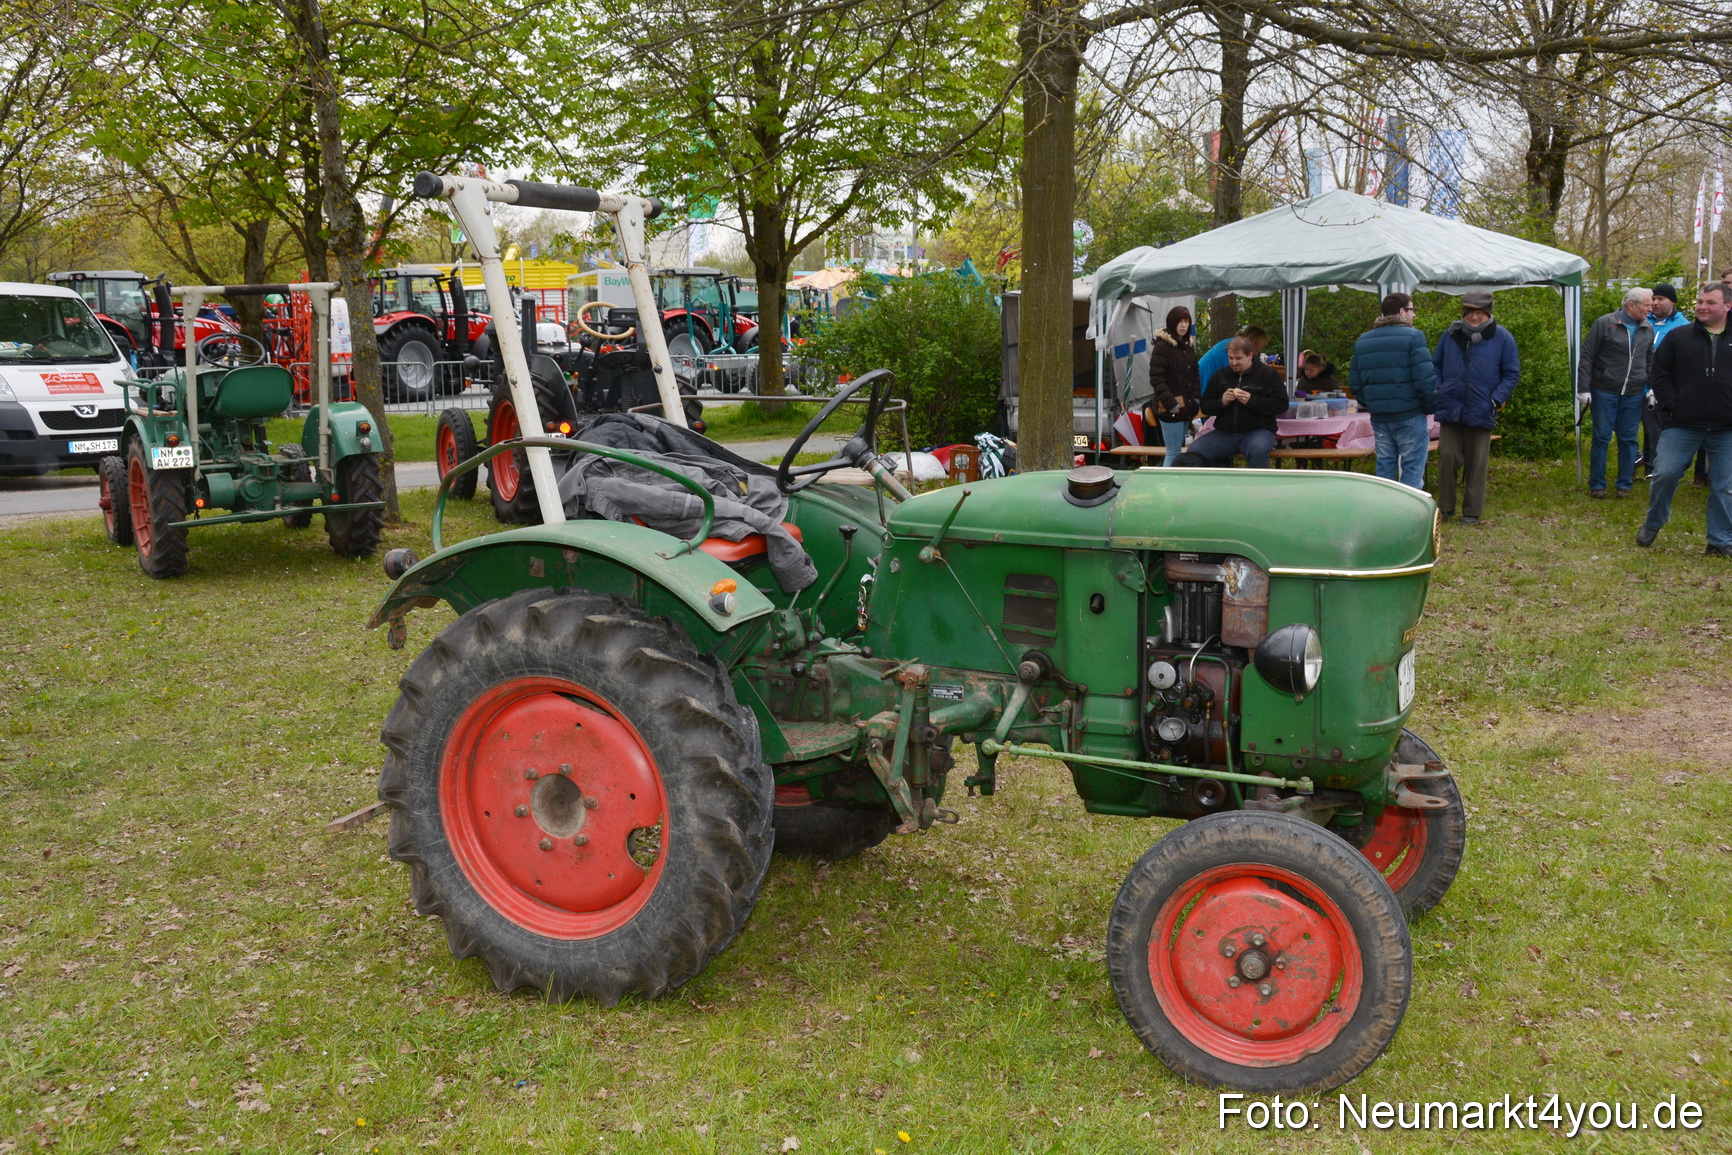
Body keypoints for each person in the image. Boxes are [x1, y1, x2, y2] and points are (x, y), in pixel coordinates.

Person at [1636, 281, 1732, 557]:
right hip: (1683, 423)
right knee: (1665, 474)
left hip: (1726, 427)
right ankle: (1653, 522)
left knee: (1725, 486)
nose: (1702, 307)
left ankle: (1720, 540)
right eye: (1700, 302)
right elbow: (1659, 373)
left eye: (1710, 302)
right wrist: (1672, 404)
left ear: (1727, 305)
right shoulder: (1679, 337)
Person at [1432, 289, 1521, 525]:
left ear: (1488, 313)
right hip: (1451, 406)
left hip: (1481, 407)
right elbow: (1435, 365)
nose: (1473, 317)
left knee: (1477, 463)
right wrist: (1441, 388)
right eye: (1469, 312)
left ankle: (1472, 512)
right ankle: (1446, 509)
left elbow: (1511, 373)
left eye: (1479, 313)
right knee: (1447, 457)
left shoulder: (1502, 337)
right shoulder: (1450, 334)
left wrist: (1496, 399)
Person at [1349, 293, 1437, 489]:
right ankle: (1408, 513)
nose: (1414, 316)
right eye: (1412, 310)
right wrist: (1429, 406)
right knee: (1412, 468)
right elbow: (1424, 377)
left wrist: (1371, 403)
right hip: (1410, 412)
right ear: (1402, 311)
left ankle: (1385, 512)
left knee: (1385, 466)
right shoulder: (1414, 336)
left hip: (1380, 416)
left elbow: (1355, 381)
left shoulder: (1363, 340)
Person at [1576, 287, 1654, 497]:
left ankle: (1624, 485)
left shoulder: (1647, 328)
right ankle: (1597, 485)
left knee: (1629, 439)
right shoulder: (1605, 324)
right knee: (1601, 437)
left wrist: (1651, 387)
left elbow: (1650, 360)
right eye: (1647, 305)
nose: (1650, 308)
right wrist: (1583, 388)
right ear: (1631, 305)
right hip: (1604, 389)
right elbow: (1587, 357)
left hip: (1634, 392)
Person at [1184, 337, 1289, 468]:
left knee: (1258, 450)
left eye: (1238, 358)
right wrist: (1221, 402)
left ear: (1250, 355)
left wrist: (1252, 401)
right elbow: (1206, 407)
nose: (1234, 363)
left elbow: (1282, 404)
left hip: (1258, 431)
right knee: (1195, 451)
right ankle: (1214, 484)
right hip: (1224, 433)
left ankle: (1259, 487)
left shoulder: (1268, 375)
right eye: (1230, 358)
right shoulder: (1220, 375)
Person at [1142, 305, 1201, 466]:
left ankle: (1173, 485)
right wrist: (1171, 403)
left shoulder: (1188, 347)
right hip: (1169, 409)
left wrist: (1195, 398)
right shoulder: (1162, 346)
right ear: (1171, 323)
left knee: (1178, 450)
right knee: (1173, 451)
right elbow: (1156, 379)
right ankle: (1166, 487)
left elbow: (1195, 374)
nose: (1183, 325)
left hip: (1185, 408)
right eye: (1180, 321)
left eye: (1186, 321)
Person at [1639, 284, 1687, 480]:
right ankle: (1637, 460)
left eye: (1661, 299)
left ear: (1672, 301)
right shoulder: (1643, 319)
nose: (1656, 303)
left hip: (1664, 386)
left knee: (1656, 428)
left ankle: (1654, 467)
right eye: (1654, 299)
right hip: (1638, 383)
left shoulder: (1682, 325)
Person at [1196, 324, 1267, 396]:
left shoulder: (1246, 351)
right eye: (1261, 345)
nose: (1261, 349)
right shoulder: (1232, 348)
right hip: (1202, 386)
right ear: (1254, 342)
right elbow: (1234, 377)